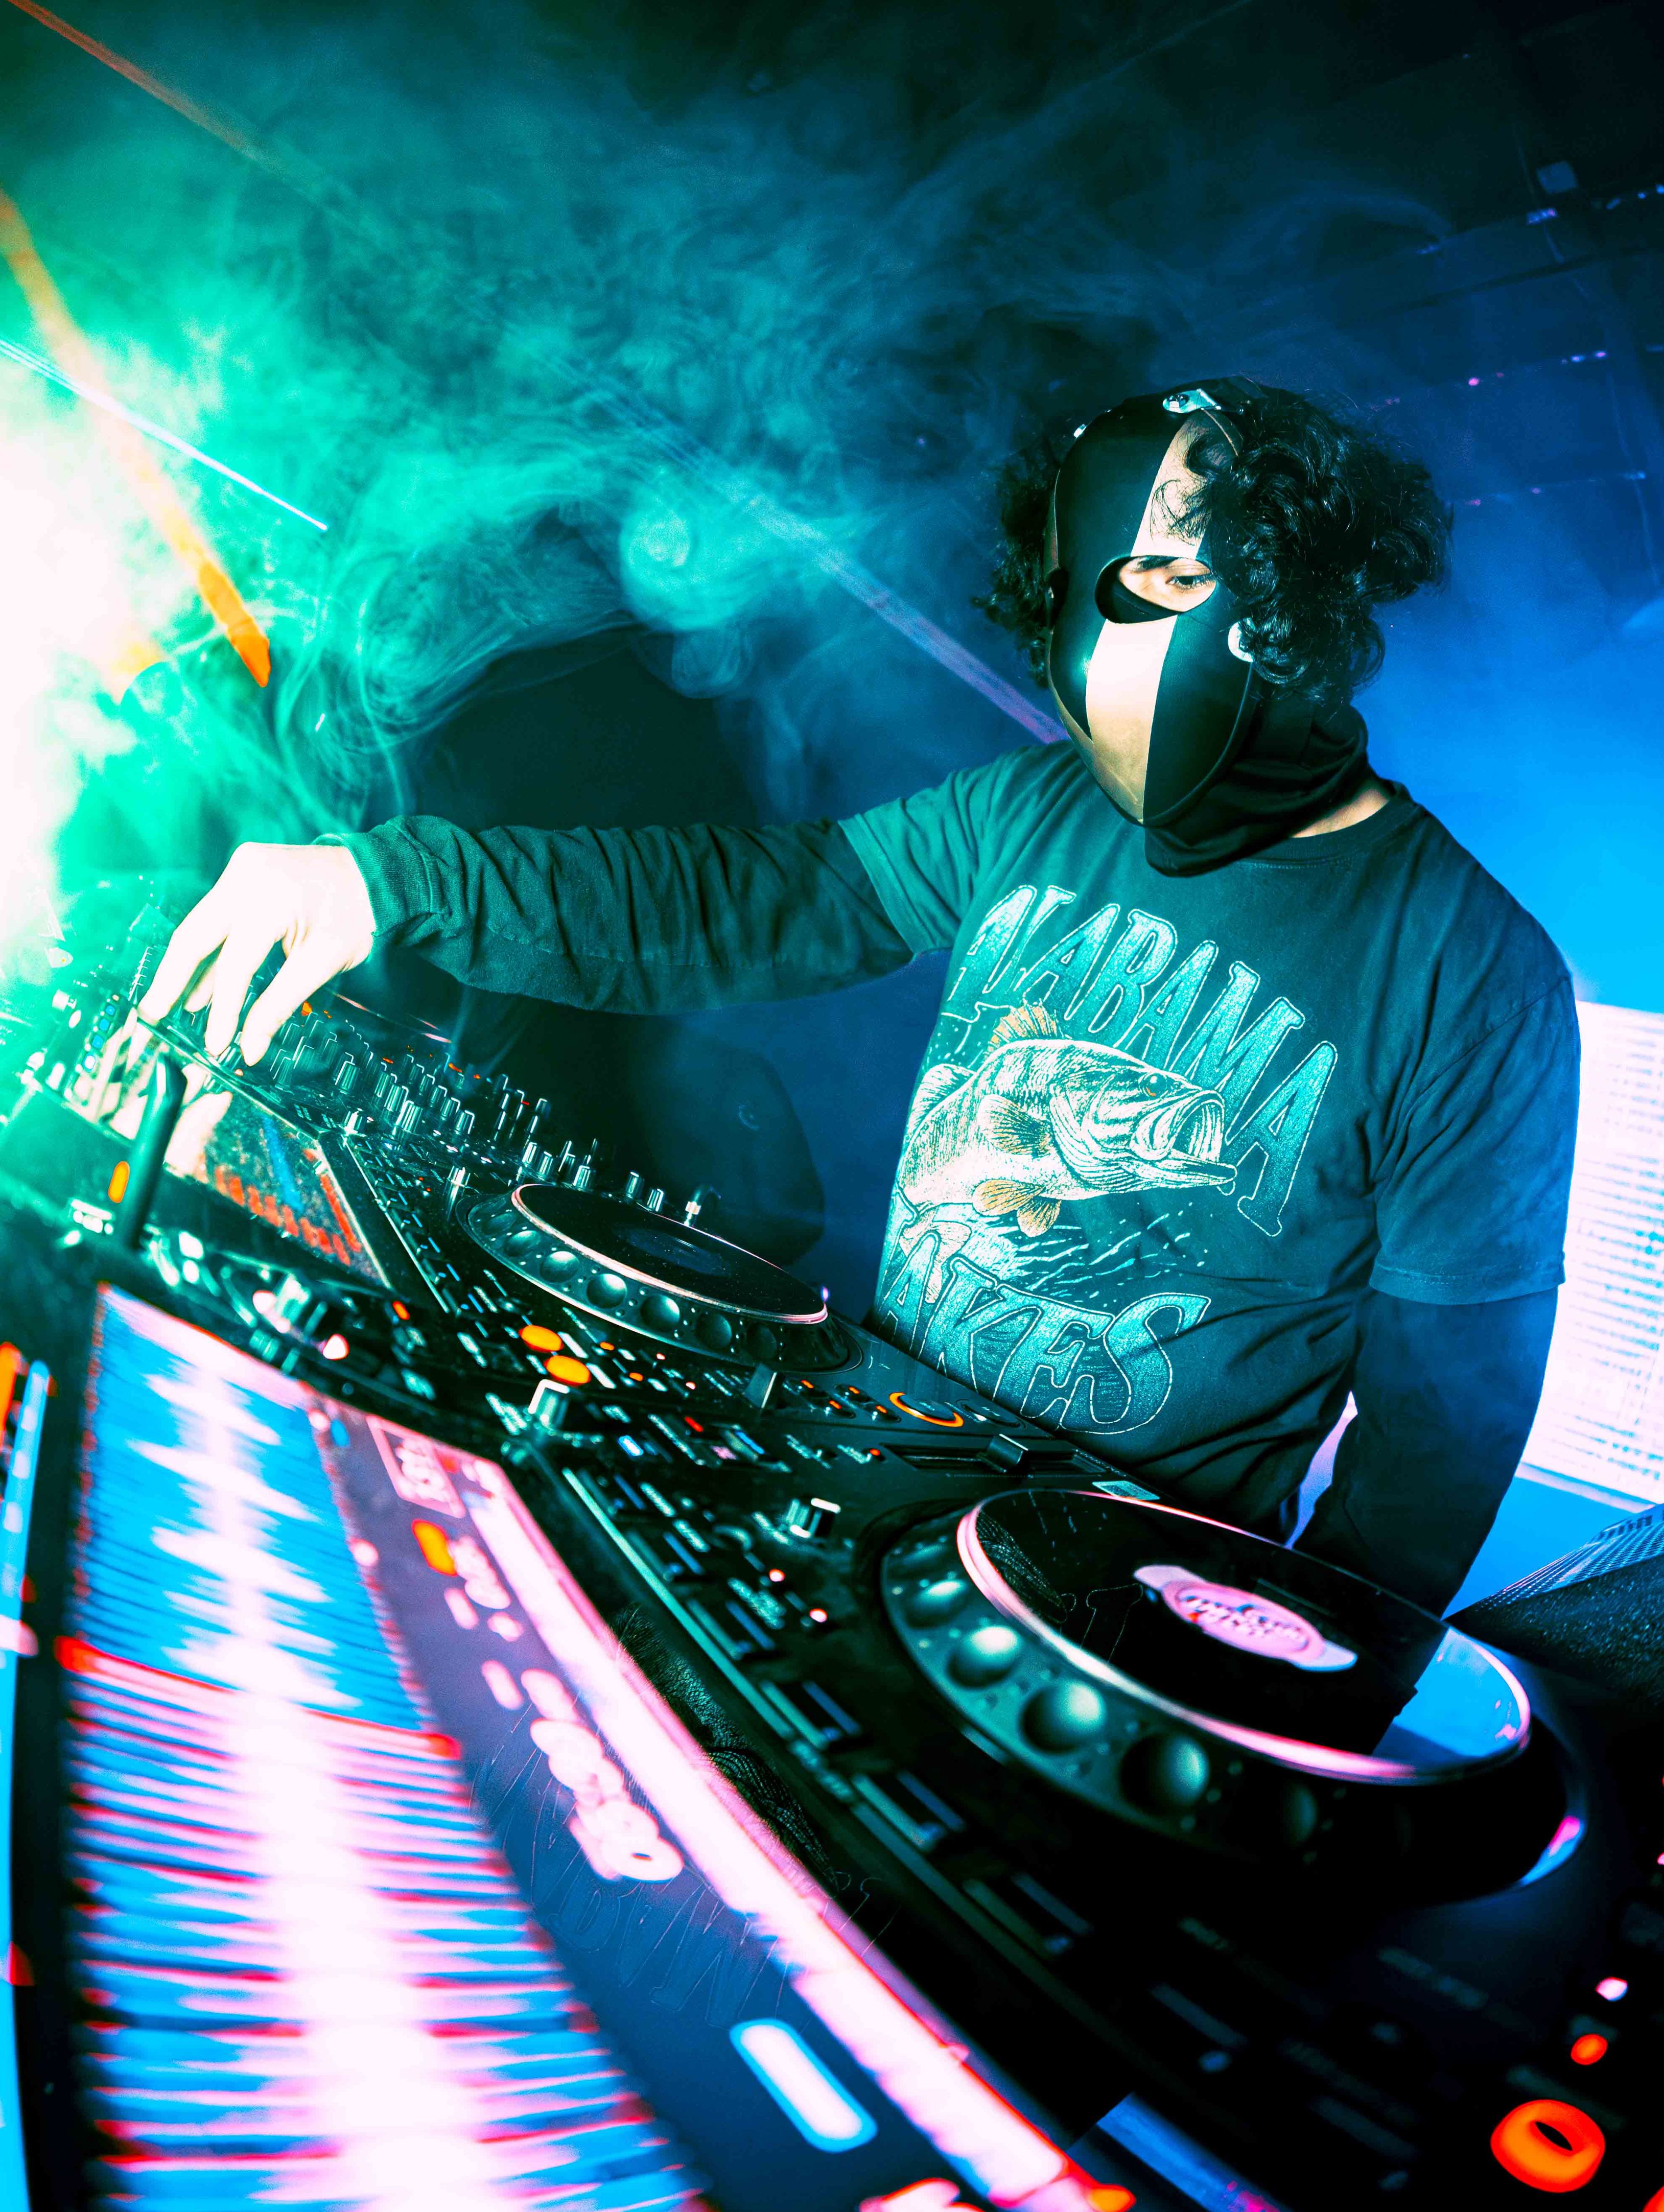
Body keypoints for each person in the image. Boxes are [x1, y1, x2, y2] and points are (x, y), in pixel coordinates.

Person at [138, 378, 1580, 1611]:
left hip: (1124, 1609)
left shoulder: (1477, 973)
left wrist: (1268, 1691)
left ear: (1300, 598)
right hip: (873, 1488)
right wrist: (398, 882)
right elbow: (760, 900)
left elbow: (1438, 1441)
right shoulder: (1031, 811)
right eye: (1090, 608)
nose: (1109, 672)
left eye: (1173, 584)